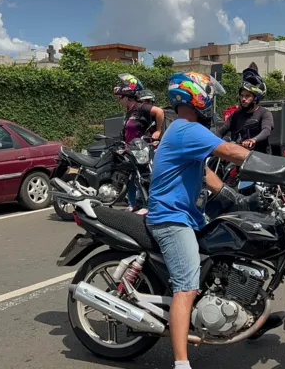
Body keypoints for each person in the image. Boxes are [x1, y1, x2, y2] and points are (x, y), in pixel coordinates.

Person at [146, 71, 262, 369]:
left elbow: (204, 172)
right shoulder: (186, 128)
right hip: (172, 219)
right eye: (209, 95)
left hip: (189, 215)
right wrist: (279, 168)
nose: (211, 102)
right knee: (186, 286)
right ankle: (181, 363)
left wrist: (233, 196)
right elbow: (232, 152)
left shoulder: (182, 129)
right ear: (196, 96)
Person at [114, 74, 165, 213]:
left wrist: (158, 131)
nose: (119, 100)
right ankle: (133, 204)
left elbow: (159, 112)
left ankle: (149, 205)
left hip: (141, 151)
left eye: (120, 97)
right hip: (130, 150)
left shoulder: (141, 107)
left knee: (143, 177)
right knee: (130, 177)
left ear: (127, 97)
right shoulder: (128, 111)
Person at [215, 68, 274, 154]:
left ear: (256, 98)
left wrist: (253, 140)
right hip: (240, 155)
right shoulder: (237, 114)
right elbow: (222, 130)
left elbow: (266, 131)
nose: (243, 99)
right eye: (242, 95)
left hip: (260, 157)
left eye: (247, 96)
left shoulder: (265, 113)